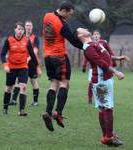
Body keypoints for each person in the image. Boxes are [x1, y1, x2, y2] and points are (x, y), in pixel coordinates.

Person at [75, 27, 124, 146]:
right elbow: (101, 63)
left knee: (104, 108)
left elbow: (106, 55)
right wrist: (116, 72)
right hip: (101, 81)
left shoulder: (94, 43)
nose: (85, 28)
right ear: (80, 36)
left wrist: (116, 58)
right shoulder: (88, 48)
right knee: (107, 108)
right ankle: (109, 137)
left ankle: (107, 136)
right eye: (81, 29)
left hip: (105, 79)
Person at [42, 1, 86, 132]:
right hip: (59, 57)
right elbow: (73, 41)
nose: (69, 16)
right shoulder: (61, 24)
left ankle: (48, 113)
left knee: (53, 84)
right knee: (64, 84)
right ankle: (58, 113)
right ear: (64, 10)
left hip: (47, 57)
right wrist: (87, 46)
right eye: (69, 14)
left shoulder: (47, 16)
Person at [0, 21, 39, 116]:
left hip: (23, 67)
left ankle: (21, 111)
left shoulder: (26, 40)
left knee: (23, 87)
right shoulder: (8, 40)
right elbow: (2, 54)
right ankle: (5, 110)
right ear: (15, 29)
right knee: (9, 88)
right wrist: (5, 66)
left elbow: (32, 55)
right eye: (19, 29)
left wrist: (37, 67)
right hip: (11, 68)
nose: (20, 31)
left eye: (22, 29)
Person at [82, 30, 129, 104]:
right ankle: (90, 98)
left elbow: (108, 54)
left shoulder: (102, 43)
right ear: (92, 36)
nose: (96, 36)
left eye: (97, 34)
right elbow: (91, 58)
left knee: (105, 102)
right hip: (97, 72)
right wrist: (84, 66)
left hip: (105, 71)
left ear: (100, 36)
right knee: (103, 102)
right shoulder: (90, 46)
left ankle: (104, 103)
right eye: (94, 34)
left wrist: (117, 59)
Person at [9, 20, 41, 107]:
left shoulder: (35, 38)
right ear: (24, 27)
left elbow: (35, 50)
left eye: (30, 26)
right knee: (18, 81)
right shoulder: (20, 37)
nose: (28, 27)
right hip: (22, 62)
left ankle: (35, 101)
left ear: (32, 27)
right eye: (27, 26)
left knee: (33, 81)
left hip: (31, 63)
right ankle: (14, 100)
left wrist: (29, 59)